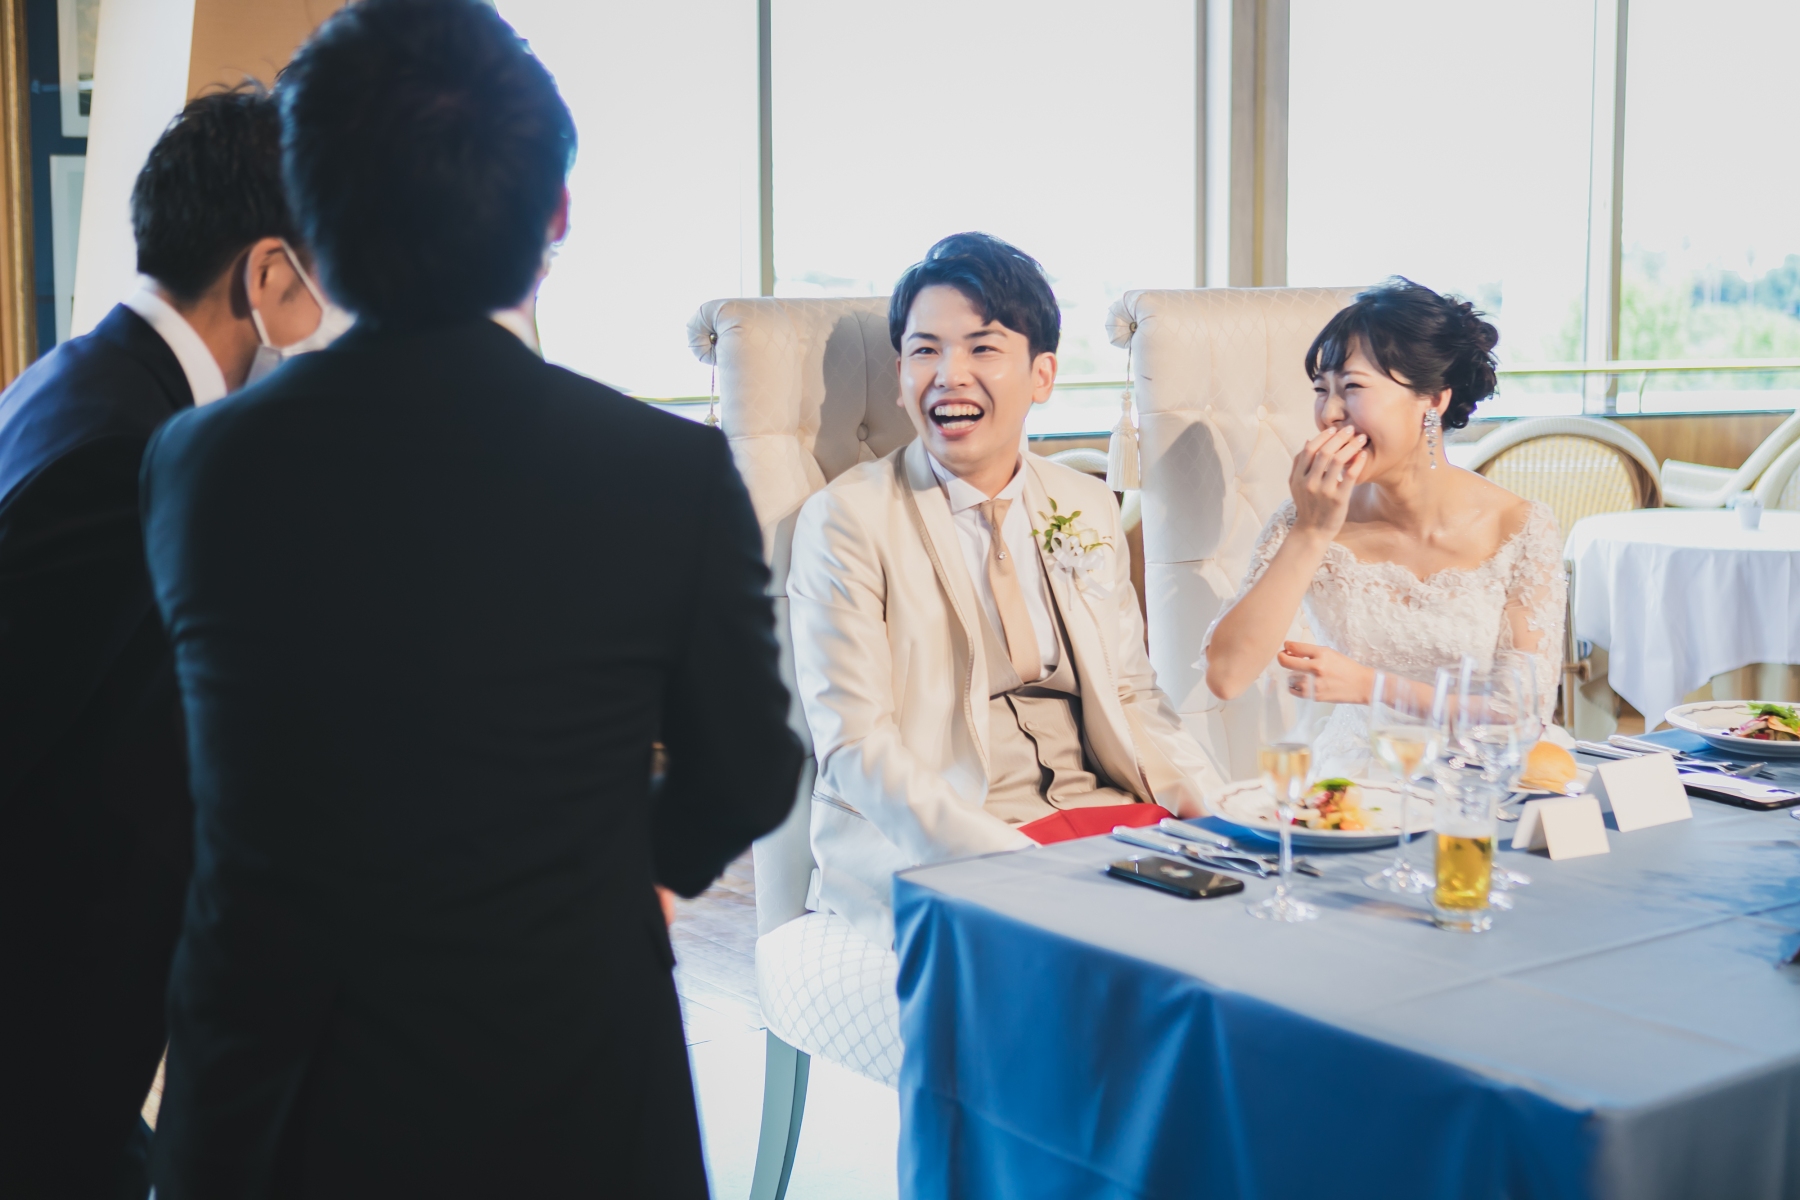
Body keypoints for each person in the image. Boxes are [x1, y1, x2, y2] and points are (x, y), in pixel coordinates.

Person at [140, 3, 802, 1196]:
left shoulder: (198, 469)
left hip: (281, 1110)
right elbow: (752, 770)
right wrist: (617, 875)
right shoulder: (665, 473)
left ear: (307, 225)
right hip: (575, 1089)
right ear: (556, 216)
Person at [0, 89, 334, 1200]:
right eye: (329, 272)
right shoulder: (123, 453)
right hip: (46, 1031)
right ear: (269, 273)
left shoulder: (77, 380)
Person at [787, 232, 1225, 948]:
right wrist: (1011, 865)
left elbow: (1132, 693)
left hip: (1102, 815)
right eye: (925, 351)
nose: (949, 374)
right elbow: (857, 745)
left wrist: (1218, 812)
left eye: (982, 348)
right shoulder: (847, 520)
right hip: (949, 835)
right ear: (900, 374)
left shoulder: (1085, 505)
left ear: (1042, 374)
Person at [1201, 278, 1565, 774]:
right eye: (1321, 391)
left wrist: (1373, 687)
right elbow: (1226, 676)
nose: (1329, 415)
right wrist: (1311, 533)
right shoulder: (1308, 517)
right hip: (1356, 781)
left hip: (1488, 776)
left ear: (1432, 400)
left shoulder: (1520, 527)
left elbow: (1522, 715)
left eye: (1352, 388)